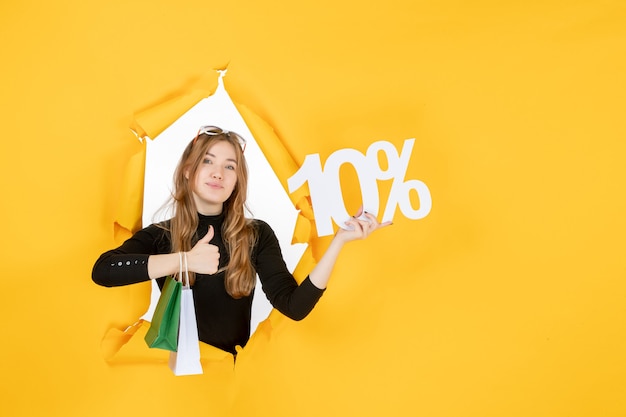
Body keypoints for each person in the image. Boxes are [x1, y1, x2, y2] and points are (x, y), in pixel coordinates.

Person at [92, 126, 390, 355]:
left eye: (230, 166)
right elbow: (104, 270)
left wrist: (339, 241)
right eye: (207, 161)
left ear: (237, 180)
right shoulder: (160, 235)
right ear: (187, 171)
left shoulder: (256, 234)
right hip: (172, 385)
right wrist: (185, 260)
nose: (218, 173)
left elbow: (294, 307)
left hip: (231, 385)